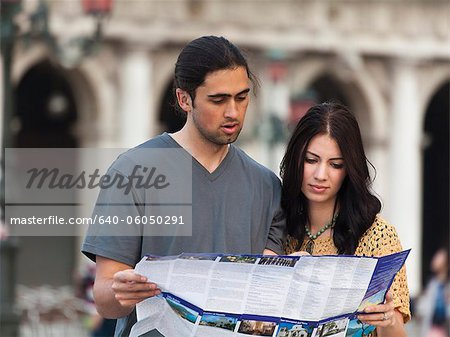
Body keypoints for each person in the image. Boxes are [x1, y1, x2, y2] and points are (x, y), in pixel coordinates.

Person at [81, 35, 285, 337]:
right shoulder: (131, 172)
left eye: (241, 98)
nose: (233, 112)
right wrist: (121, 291)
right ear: (184, 99)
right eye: (218, 100)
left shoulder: (267, 185)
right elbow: (105, 298)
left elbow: (268, 292)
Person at [280, 102, 410, 337]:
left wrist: (387, 320)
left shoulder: (378, 235)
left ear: (349, 169)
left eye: (335, 165)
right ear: (296, 159)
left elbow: (397, 330)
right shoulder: (279, 228)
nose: (320, 175)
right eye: (311, 160)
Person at [417, 248, 450, 337]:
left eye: (438, 258)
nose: (434, 260)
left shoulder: (446, 286)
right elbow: (422, 310)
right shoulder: (432, 284)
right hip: (430, 330)